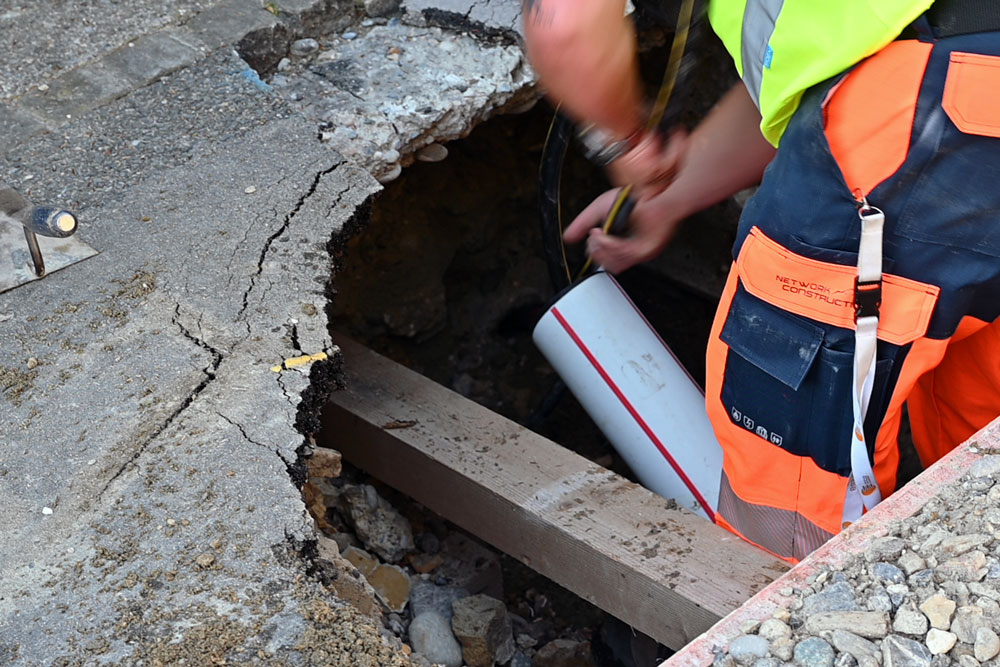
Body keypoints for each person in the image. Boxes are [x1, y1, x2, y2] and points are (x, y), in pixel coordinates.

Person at [523, 0, 1000, 562]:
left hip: (918, 114)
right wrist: (671, 194)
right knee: (979, 442)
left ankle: (806, 622)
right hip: (952, 93)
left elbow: (564, 25)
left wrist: (625, 142)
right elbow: (813, 79)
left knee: (792, 486)